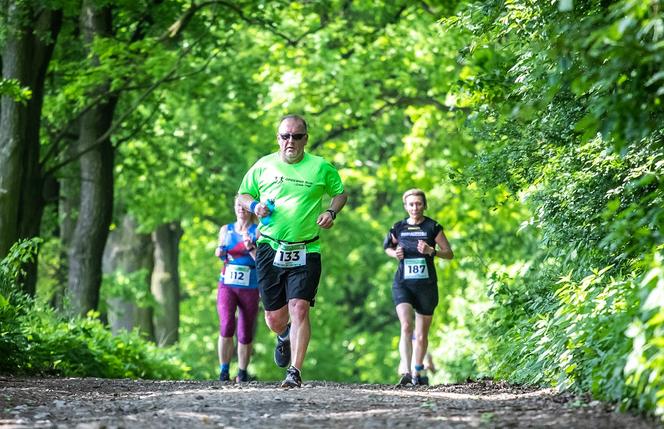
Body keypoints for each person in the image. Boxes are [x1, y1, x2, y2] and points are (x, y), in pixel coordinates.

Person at [237, 114, 347, 388]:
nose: (290, 141)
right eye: (285, 136)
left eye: (296, 136)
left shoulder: (320, 167)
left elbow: (340, 192)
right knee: (274, 317)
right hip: (270, 247)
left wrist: (331, 211)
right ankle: (283, 334)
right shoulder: (264, 165)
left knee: (299, 308)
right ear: (278, 138)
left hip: (307, 248)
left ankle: (295, 371)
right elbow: (244, 194)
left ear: (305, 139)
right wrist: (254, 207)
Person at [384, 188, 453, 386]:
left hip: (426, 286)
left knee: (421, 335)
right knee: (406, 325)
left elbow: (449, 253)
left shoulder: (433, 227)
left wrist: (432, 251)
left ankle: (416, 371)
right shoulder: (398, 227)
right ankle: (405, 370)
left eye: (418, 204)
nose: (415, 207)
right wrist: (394, 253)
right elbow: (388, 247)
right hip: (403, 284)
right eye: (411, 204)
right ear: (406, 206)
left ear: (424, 205)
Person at [215, 197, 261, 383]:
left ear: (250, 209)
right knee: (226, 325)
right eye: (238, 206)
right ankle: (224, 371)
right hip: (227, 284)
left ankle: (242, 372)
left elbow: (261, 260)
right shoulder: (226, 230)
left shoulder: (258, 230)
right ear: (234, 208)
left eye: (244, 206)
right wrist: (219, 252)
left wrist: (251, 248)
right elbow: (221, 251)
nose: (241, 209)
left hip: (250, 285)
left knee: (245, 331)